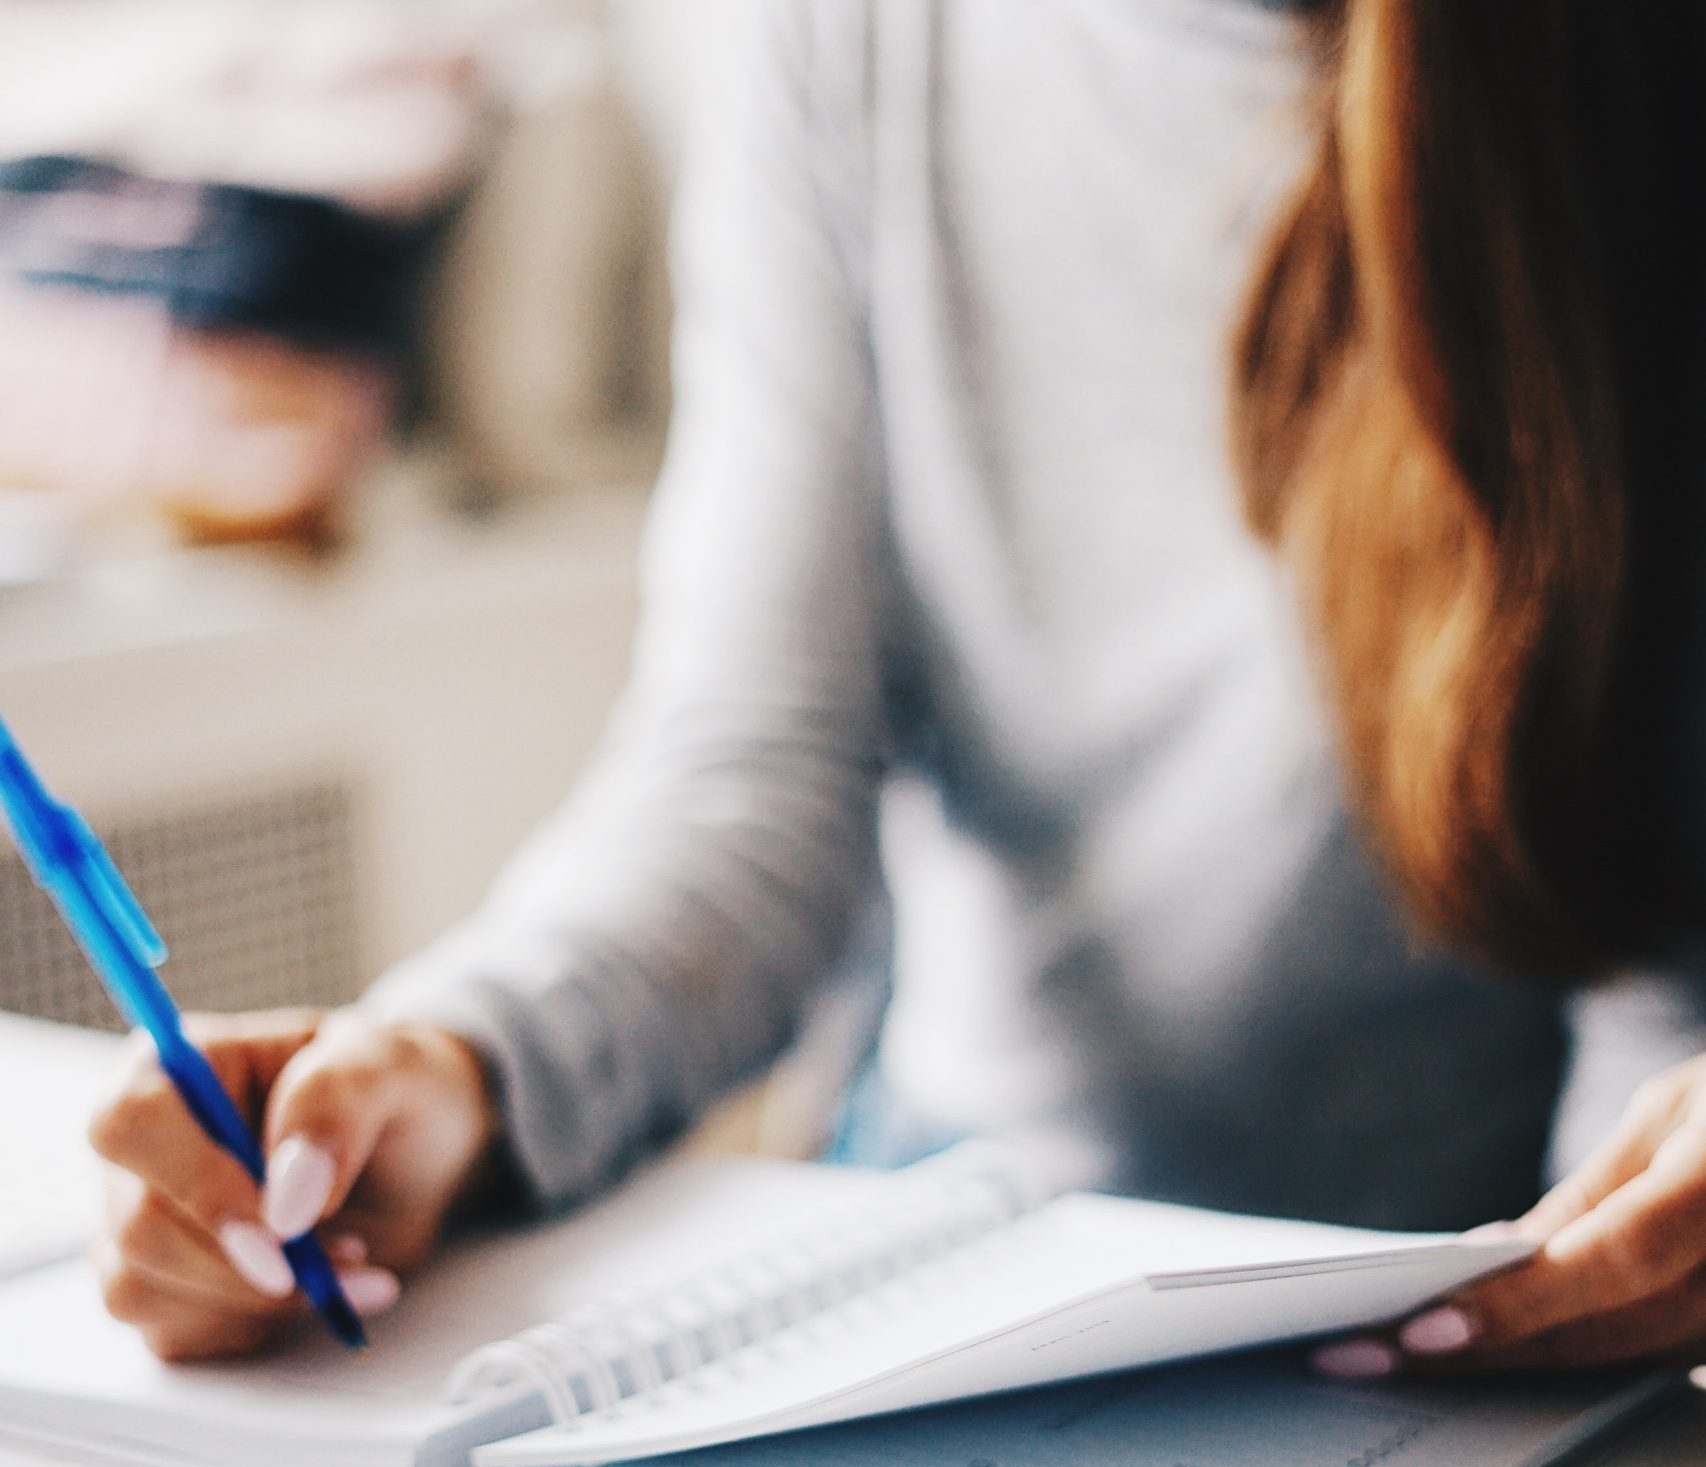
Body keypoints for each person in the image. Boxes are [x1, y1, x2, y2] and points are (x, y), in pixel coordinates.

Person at [87, 0, 1706, 1381]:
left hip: (1503, 1362)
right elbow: (750, 773)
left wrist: (1622, 1268)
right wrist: (451, 1068)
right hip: (947, 1302)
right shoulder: (858, 35)